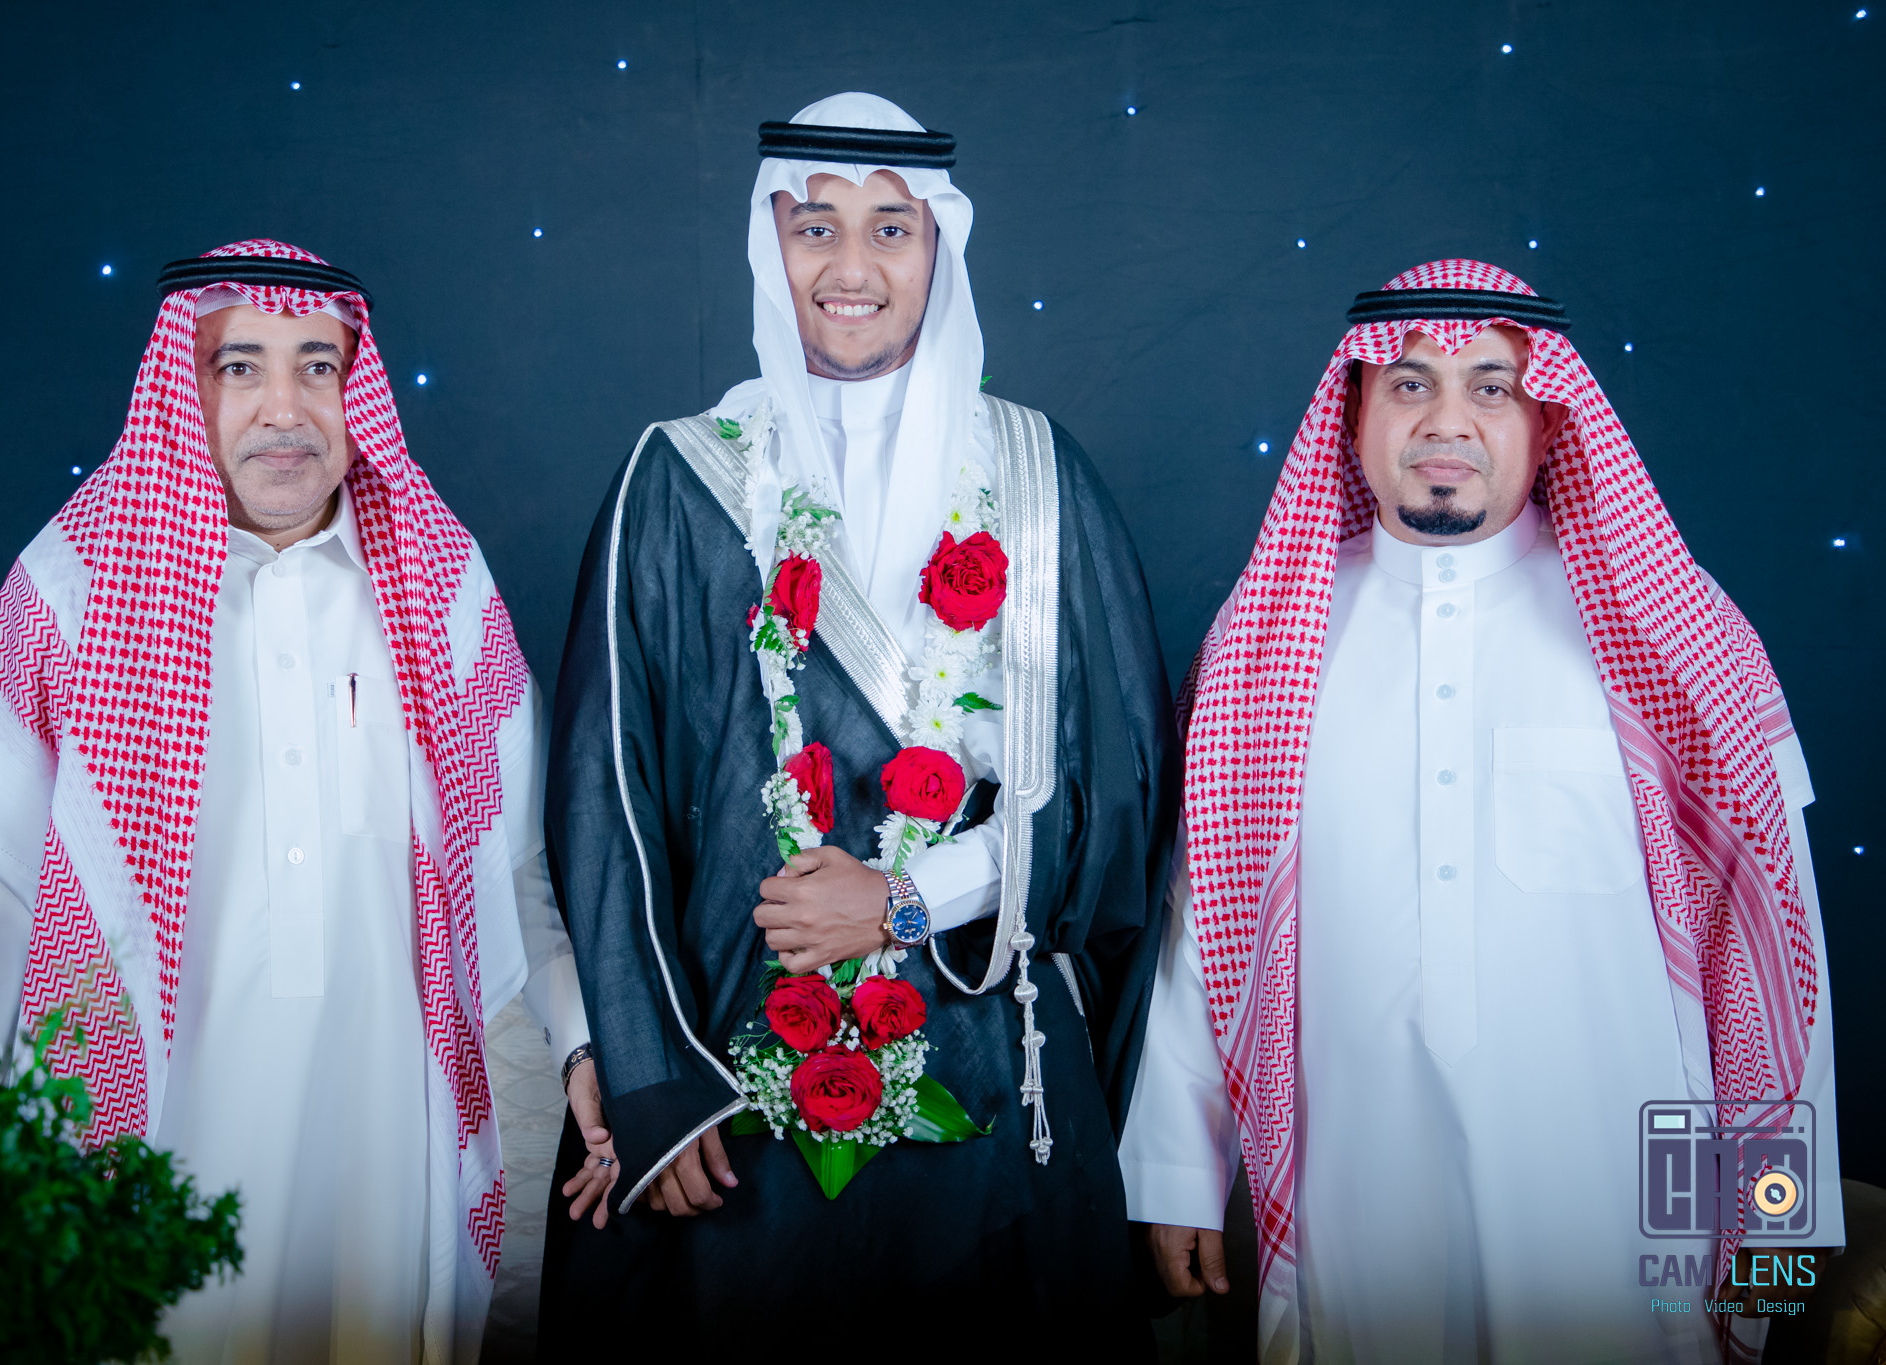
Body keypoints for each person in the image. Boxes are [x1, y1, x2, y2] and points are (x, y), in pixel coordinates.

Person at [539, 93, 1175, 1351]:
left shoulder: (1036, 476)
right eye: (814, 226)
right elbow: (604, 798)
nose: (850, 266)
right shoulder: (677, 475)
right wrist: (653, 1078)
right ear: (767, 245)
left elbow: (1114, 795)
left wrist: (904, 900)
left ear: (938, 248)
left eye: (890, 229)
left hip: (986, 1054)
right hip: (727, 1065)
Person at [1124, 259, 1843, 1363]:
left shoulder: (1673, 637)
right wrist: (1178, 1168)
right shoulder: (1266, 641)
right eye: (1409, 384)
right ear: (1353, 416)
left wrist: (1778, 1233)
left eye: (1491, 387)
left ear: (1549, 421)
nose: (1446, 421)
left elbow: (1772, 960)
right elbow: (1206, 929)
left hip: (1626, 1220)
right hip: (1357, 1205)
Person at [0, 240, 590, 1362]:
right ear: (182, 385)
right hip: (158, 1153)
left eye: (318, 365)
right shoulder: (76, 585)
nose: (286, 408)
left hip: (382, 1153)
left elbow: (520, 862)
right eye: (240, 366)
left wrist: (581, 1047)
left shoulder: (437, 583)